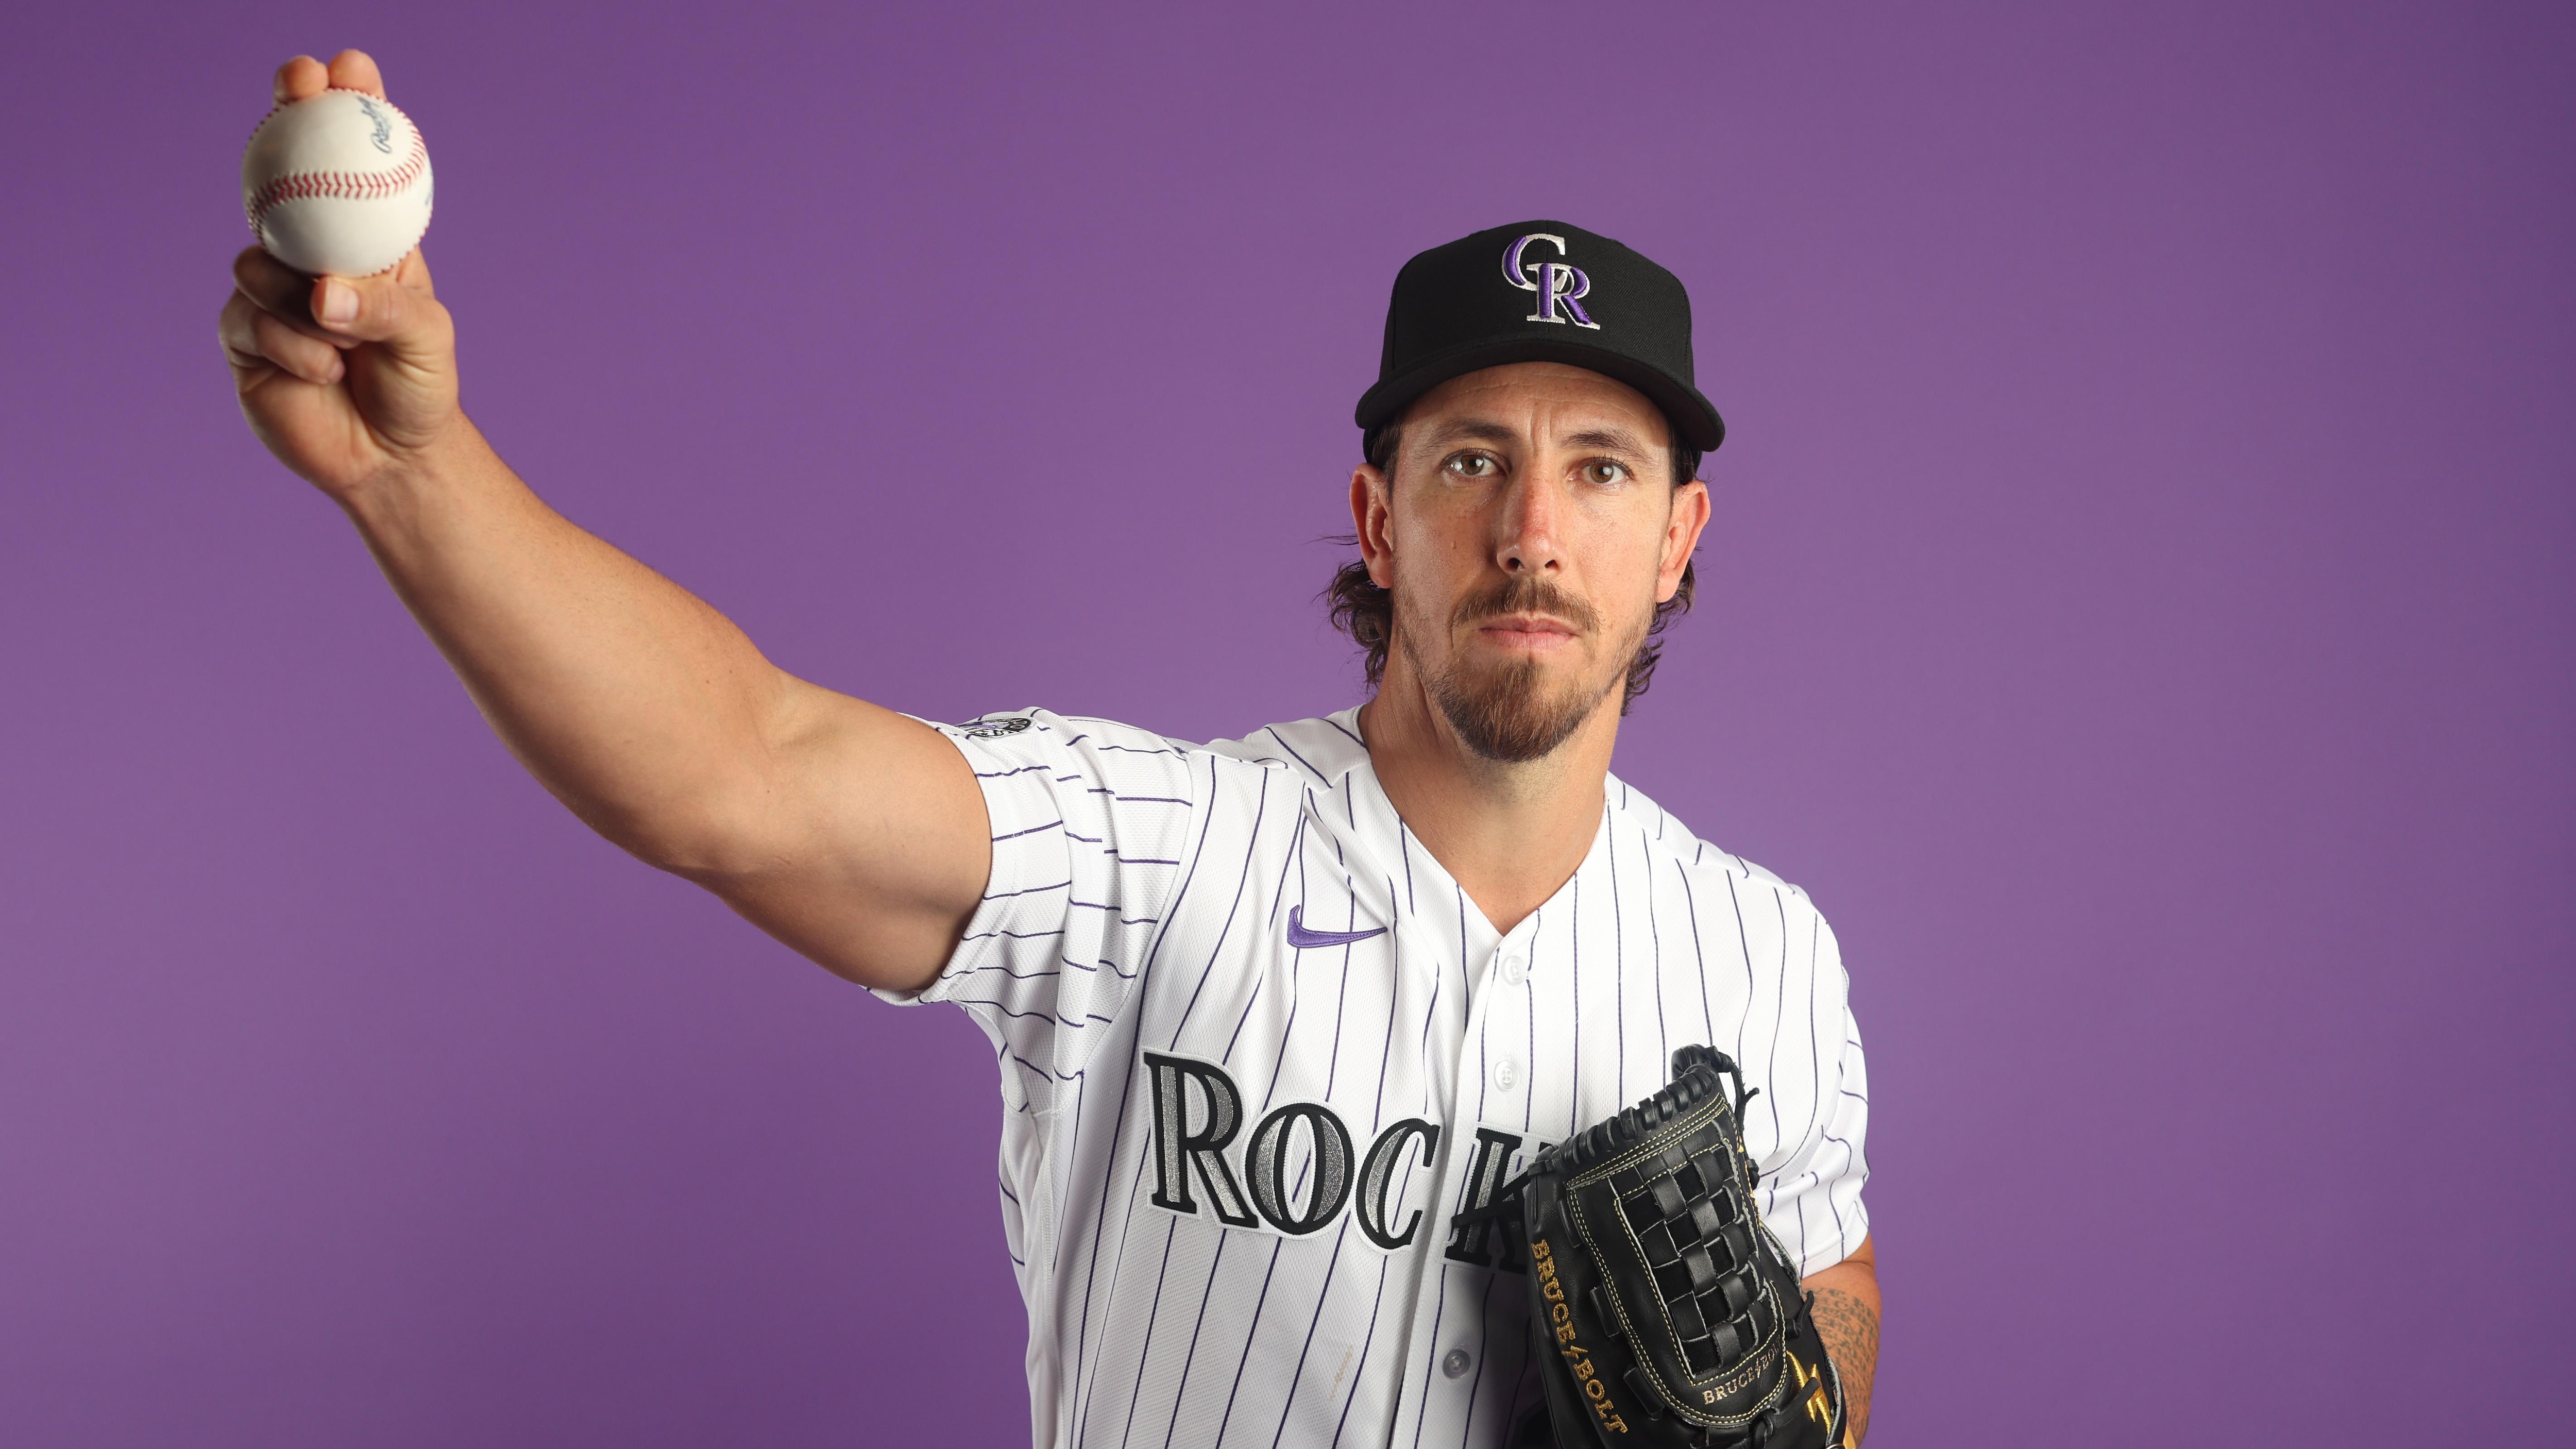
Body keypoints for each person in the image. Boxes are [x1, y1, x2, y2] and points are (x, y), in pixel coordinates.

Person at [219, 49, 1879, 1449]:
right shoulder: (1153, 851)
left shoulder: (1768, 953)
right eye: (1469, 462)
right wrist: (411, 478)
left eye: (1600, 469)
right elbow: (741, 774)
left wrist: (1786, 1397)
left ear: (1677, 538)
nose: (1532, 527)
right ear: (1379, 519)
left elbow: (1838, 1287)